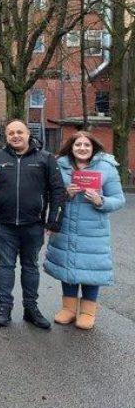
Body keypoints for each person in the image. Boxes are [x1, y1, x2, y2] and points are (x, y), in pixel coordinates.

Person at [0, 119, 66, 330]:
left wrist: (53, 221)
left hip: (34, 225)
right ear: (6, 136)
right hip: (5, 225)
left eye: (19, 132)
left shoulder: (45, 158)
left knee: (30, 267)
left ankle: (31, 309)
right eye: (11, 132)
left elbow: (58, 190)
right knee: (5, 266)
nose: (15, 136)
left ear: (28, 134)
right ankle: (4, 308)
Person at [44, 131, 126, 330]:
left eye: (86, 145)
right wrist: (65, 194)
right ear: (71, 147)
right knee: (67, 266)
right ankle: (69, 309)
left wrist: (101, 201)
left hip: (93, 230)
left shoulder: (106, 167)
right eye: (77, 145)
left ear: (93, 147)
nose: (82, 148)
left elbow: (119, 199)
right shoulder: (60, 165)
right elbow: (48, 194)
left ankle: (88, 311)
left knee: (90, 268)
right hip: (65, 226)